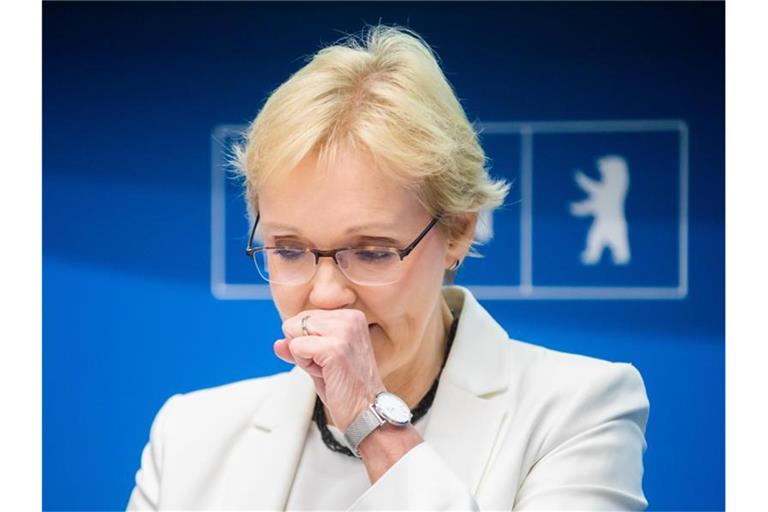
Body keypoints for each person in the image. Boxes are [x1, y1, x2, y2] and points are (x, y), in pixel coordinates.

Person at [126, 25, 649, 511]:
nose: (326, 296)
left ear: (458, 231)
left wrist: (373, 423)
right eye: (288, 250)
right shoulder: (190, 435)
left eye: (372, 252)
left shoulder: (579, 410)